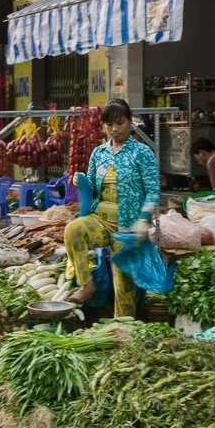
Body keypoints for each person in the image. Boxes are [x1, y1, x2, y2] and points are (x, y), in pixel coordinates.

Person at [65, 99, 159, 316]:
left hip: (128, 228)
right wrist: (82, 183)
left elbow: (153, 190)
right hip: (101, 220)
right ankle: (87, 284)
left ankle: (123, 331)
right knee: (73, 230)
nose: (114, 129)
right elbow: (92, 190)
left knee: (123, 284)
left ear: (130, 122)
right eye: (109, 124)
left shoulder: (142, 152)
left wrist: (144, 218)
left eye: (120, 123)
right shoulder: (99, 153)